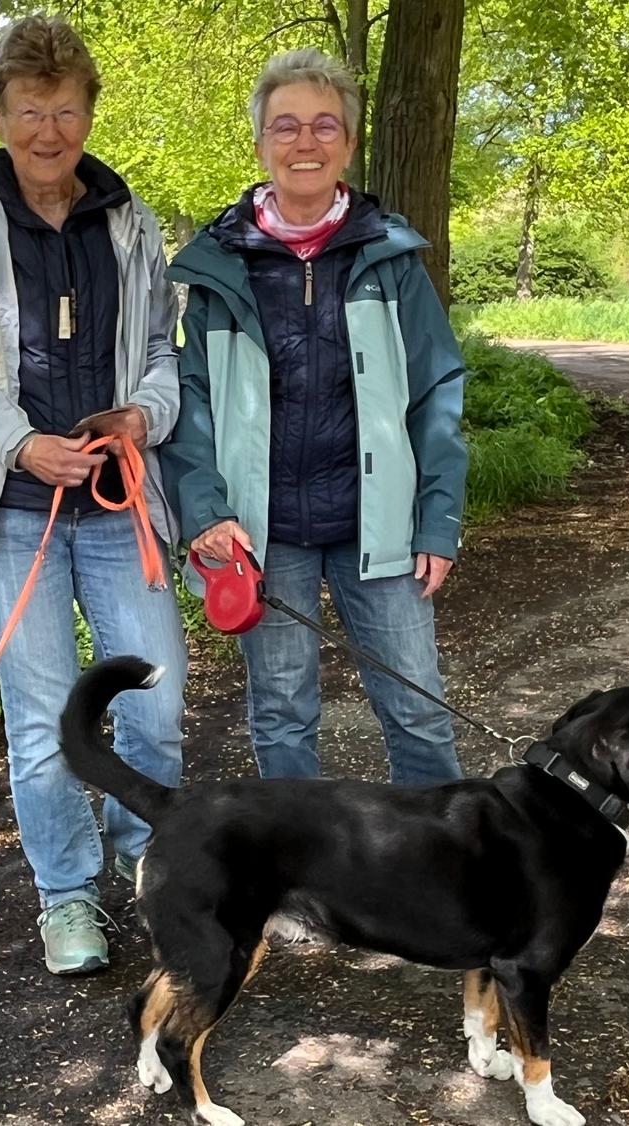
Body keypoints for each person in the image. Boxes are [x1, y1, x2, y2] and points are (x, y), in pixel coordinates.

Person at [0, 15, 187, 976]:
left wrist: (141, 417)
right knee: (40, 714)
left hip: (116, 505)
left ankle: (151, 863)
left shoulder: (129, 220)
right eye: (31, 111)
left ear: (89, 113)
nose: (49, 132)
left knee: (154, 697)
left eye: (66, 110)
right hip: (8, 511)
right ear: (1, 113)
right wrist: (24, 445)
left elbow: (157, 355)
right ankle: (67, 898)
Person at [163, 47, 468, 786]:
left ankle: (439, 878)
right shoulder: (218, 266)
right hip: (263, 535)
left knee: (418, 709)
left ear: (350, 144)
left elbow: (437, 393)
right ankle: (297, 883)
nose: (305, 142)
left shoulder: (390, 258)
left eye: (324, 125)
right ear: (262, 142)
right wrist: (203, 509)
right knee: (280, 714)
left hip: (381, 524)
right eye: (286, 126)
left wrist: (437, 519)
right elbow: (190, 403)